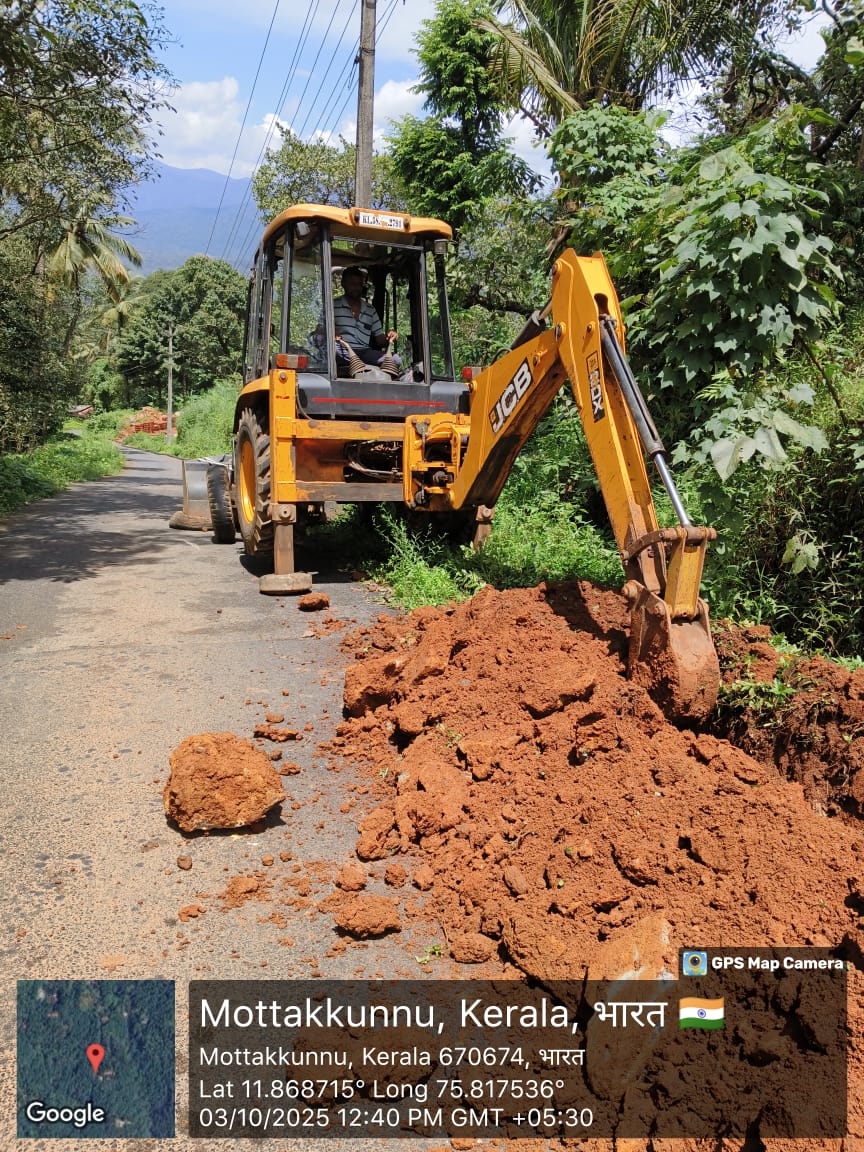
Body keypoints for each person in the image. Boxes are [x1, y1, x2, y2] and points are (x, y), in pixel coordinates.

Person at [332, 266, 399, 367]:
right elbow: (319, 331)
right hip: (343, 351)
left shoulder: (370, 310)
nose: (356, 288)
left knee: (395, 359)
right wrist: (330, 333)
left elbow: (380, 340)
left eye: (359, 284)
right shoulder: (333, 305)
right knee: (333, 350)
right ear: (343, 284)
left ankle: (358, 364)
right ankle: (359, 364)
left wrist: (390, 337)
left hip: (364, 353)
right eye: (352, 284)